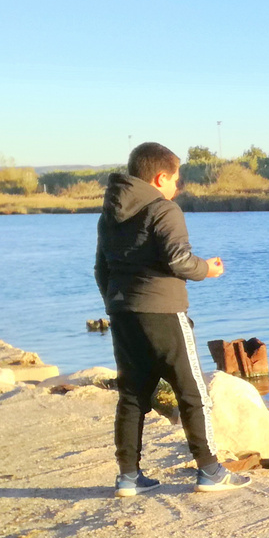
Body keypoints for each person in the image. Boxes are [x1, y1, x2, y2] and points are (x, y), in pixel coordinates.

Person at [95, 141, 250, 496]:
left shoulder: (109, 214)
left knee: (133, 394)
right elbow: (179, 260)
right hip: (164, 313)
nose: (177, 187)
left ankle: (128, 477)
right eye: (176, 179)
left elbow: (101, 270)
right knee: (193, 392)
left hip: (122, 314)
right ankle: (211, 471)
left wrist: (117, 305)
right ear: (160, 176)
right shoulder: (163, 209)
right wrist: (208, 270)